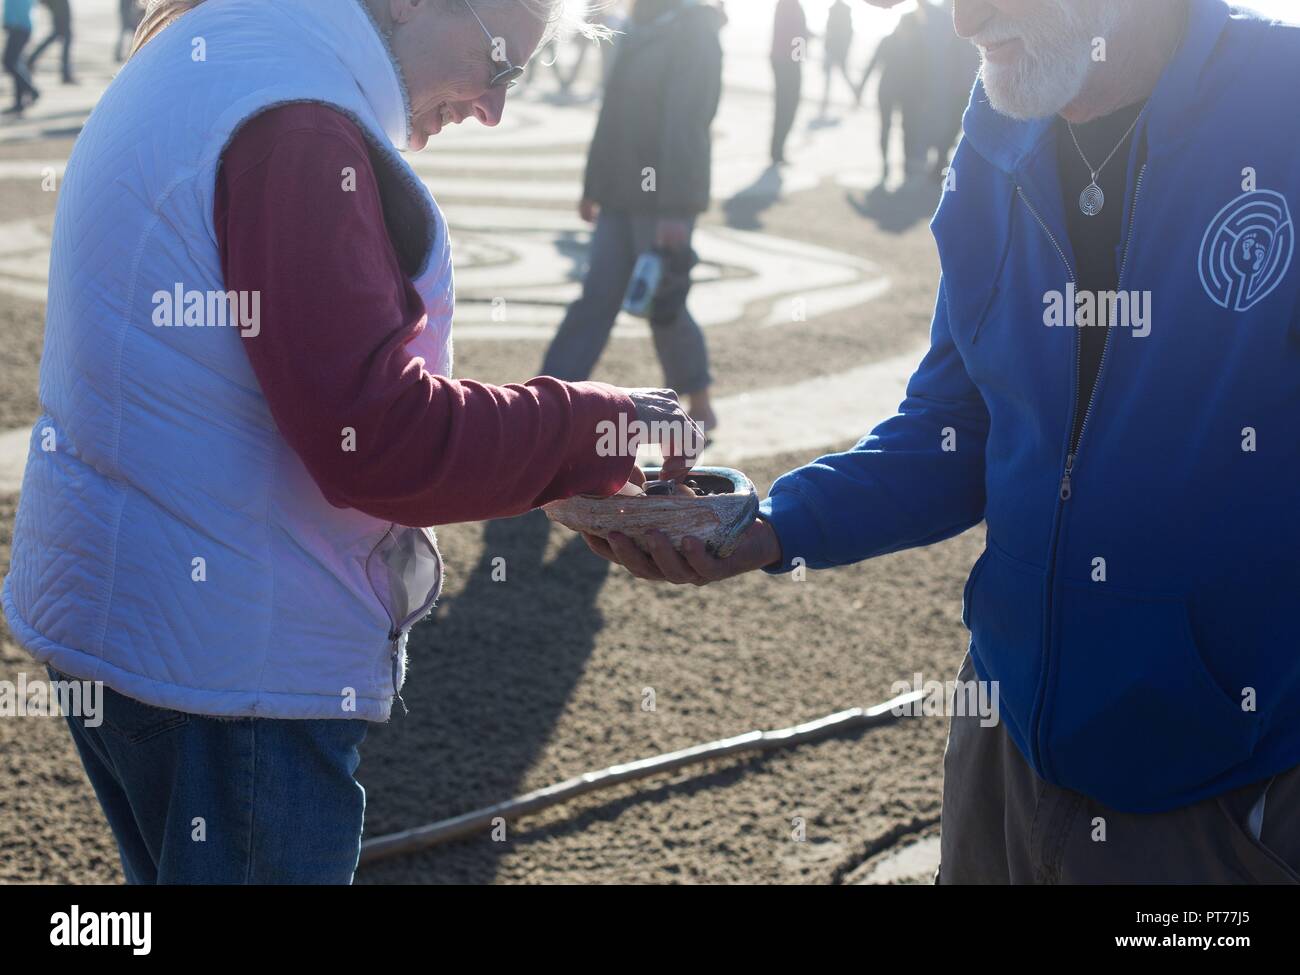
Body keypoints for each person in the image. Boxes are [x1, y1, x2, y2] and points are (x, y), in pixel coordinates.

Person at [584, 0, 1300, 884]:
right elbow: (956, 424)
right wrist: (768, 525)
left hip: (1227, 788)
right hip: (1000, 740)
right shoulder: (999, 115)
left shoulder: (1285, 101)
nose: (962, 22)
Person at [3, 0, 702, 885]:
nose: (493, 108)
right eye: (501, 65)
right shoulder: (299, 120)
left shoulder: (235, 44)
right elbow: (376, 436)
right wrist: (598, 424)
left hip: (144, 622)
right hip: (231, 664)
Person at [541, 0, 724, 431]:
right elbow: (613, 112)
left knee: (663, 301)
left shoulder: (696, 28)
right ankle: (546, 399)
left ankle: (698, 398)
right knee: (596, 299)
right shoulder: (636, 23)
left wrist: (675, 209)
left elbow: (688, 121)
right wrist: (593, 185)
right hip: (620, 192)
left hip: (662, 198)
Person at [854, 3, 929, 180]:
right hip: (886, 91)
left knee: (908, 128)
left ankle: (907, 165)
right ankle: (884, 164)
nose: (907, 34)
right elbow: (872, 64)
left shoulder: (920, 46)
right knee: (885, 127)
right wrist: (860, 89)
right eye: (905, 30)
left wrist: (925, 97)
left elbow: (926, 73)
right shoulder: (888, 41)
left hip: (909, 95)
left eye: (911, 31)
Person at [769, 0, 807, 165]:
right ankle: (777, 151)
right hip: (787, 64)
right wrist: (799, 58)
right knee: (786, 108)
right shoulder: (789, 5)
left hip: (785, 62)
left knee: (785, 108)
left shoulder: (788, 5)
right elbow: (796, 35)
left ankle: (777, 150)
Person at [2, 0, 38, 115]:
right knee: (16, 63)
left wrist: (10, 22)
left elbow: (20, 6)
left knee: (9, 62)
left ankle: (31, 90)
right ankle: (19, 103)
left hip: (19, 27)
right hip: (20, 26)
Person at [819, 0, 854, 117]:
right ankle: (826, 99)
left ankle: (855, 93)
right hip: (834, 49)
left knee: (837, 75)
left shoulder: (840, 10)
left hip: (836, 49)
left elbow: (844, 32)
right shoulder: (835, 9)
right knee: (831, 76)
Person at [26, 0, 73, 84]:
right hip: (58, 5)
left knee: (59, 35)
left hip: (57, 5)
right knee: (63, 36)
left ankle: (31, 60)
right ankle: (66, 74)